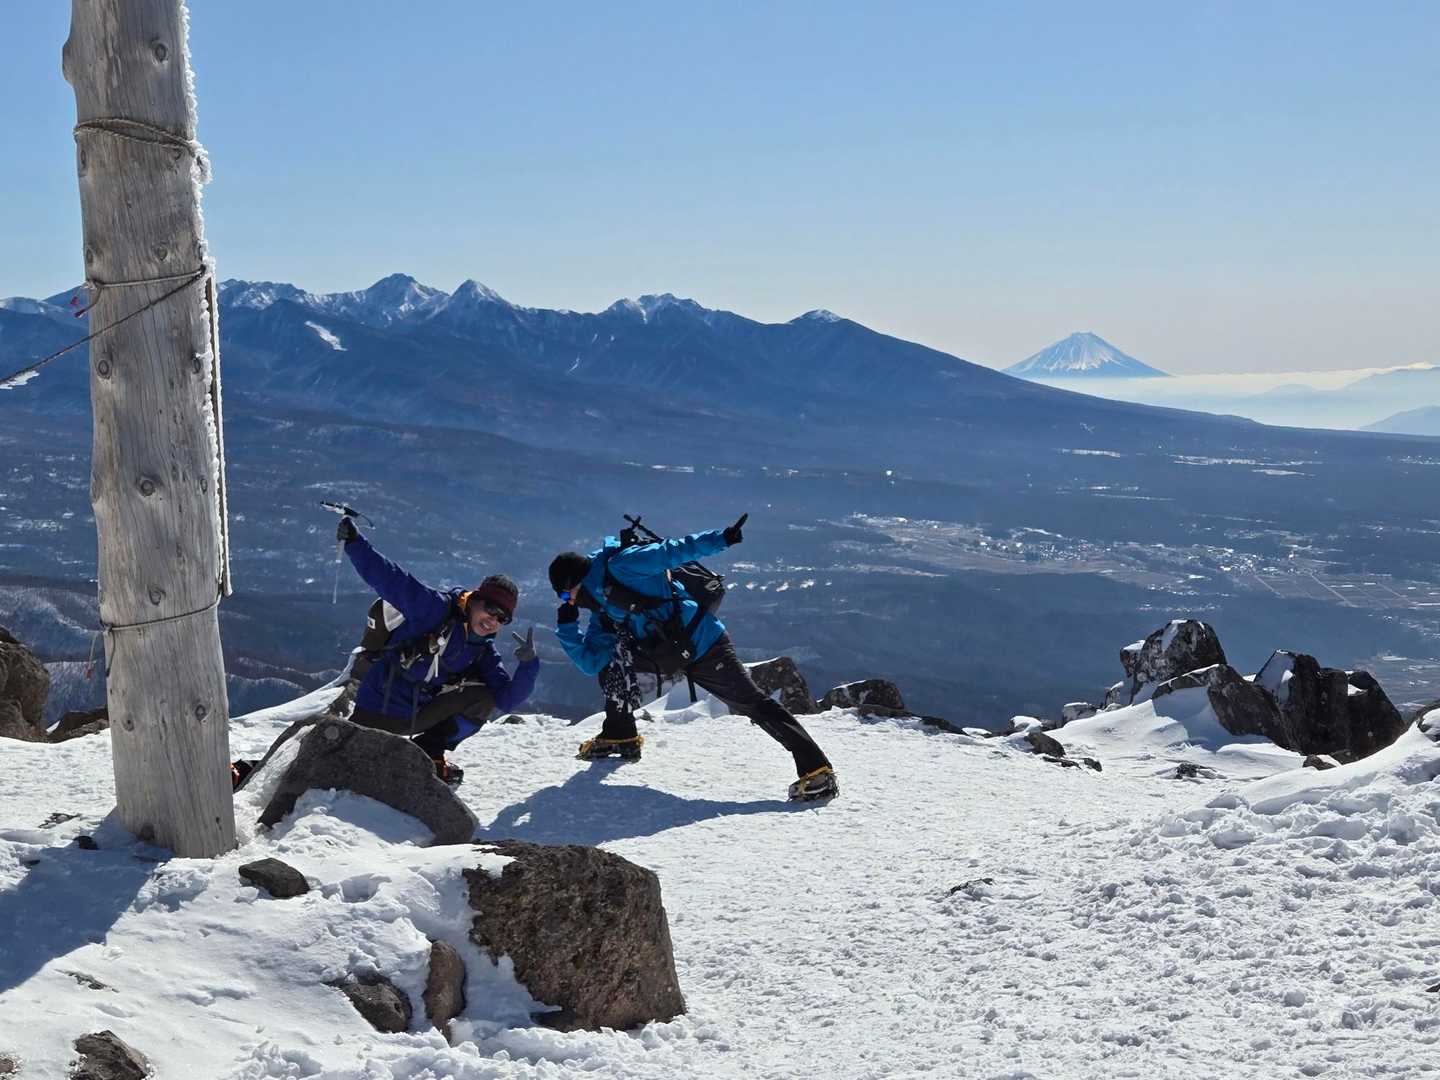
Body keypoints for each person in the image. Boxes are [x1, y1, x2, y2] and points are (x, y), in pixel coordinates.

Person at [547, 514, 839, 801]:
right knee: (612, 664)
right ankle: (619, 734)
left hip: (704, 645)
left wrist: (722, 539)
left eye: (564, 595)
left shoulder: (622, 565)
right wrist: (567, 627)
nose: (569, 602)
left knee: (752, 703)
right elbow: (592, 663)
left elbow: (673, 551)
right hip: (665, 653)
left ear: (576, 581)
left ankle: (817, 770)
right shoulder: (601, 610)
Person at [335, 515, 539, 785]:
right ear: (474, 600)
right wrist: (354, 543)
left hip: (413, 717)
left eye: (503, 618)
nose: (493, 620)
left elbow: (506, 700)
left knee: (483, 698)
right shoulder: (436, 609)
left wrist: (529, 664)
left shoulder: (483, 650)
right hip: (375, 712)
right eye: (491, 609)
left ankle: (427, 753)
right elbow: (392, 580)